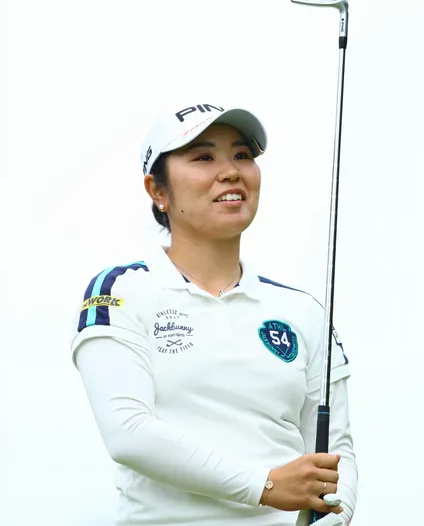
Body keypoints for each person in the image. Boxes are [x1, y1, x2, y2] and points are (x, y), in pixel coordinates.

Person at [71, 101, 358, 526]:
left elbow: (337, 453)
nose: (230, 172)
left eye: (242, 155)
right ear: (158, 191)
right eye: (204, 157)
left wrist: (338, 512)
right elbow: (128, 433)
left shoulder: (302, 311)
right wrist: (266, 485)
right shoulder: (121, 290)